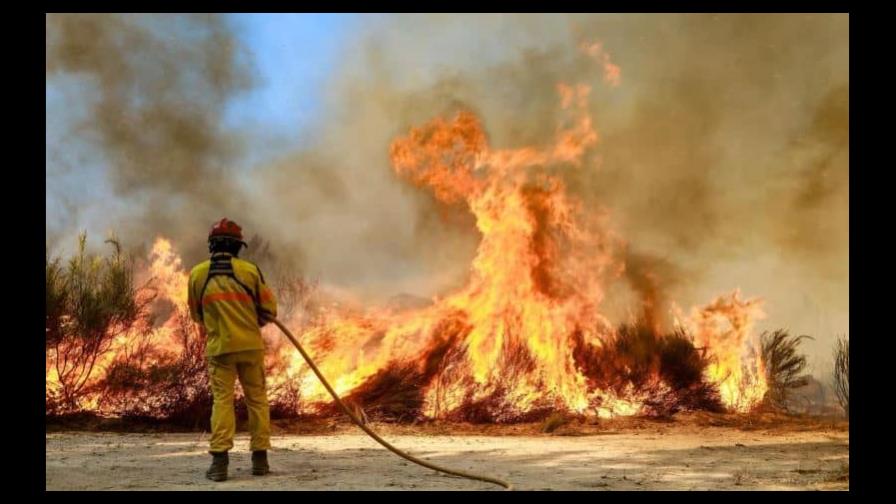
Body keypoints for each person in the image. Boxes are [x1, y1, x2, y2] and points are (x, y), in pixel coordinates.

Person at [187, 218, 278, 482]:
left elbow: (196, 314)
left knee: (222, 402)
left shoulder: (197, 274)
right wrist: (252, 321)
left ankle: (219, 462)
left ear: (211, 246)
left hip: (220, 349)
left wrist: (218, 324)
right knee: (258, 401)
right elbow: (270, 311)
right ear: (239, 247)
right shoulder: (250, 271)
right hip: (250, 347)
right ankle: (260, 460)